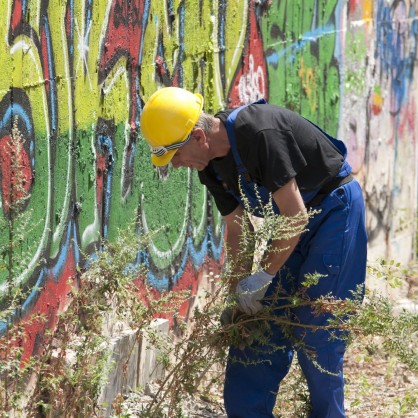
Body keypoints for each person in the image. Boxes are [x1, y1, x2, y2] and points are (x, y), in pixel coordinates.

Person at [140, 86, 368, 418]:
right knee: (255, 330)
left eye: (175, 155)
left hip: (334, 212)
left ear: (199, 137)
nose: (176, 165)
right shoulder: (211, 167)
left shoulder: (259, 132)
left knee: (318, 330)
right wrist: (238, 292)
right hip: (290, 228)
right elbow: (238, 228)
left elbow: (296, 215)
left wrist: (264, 276)